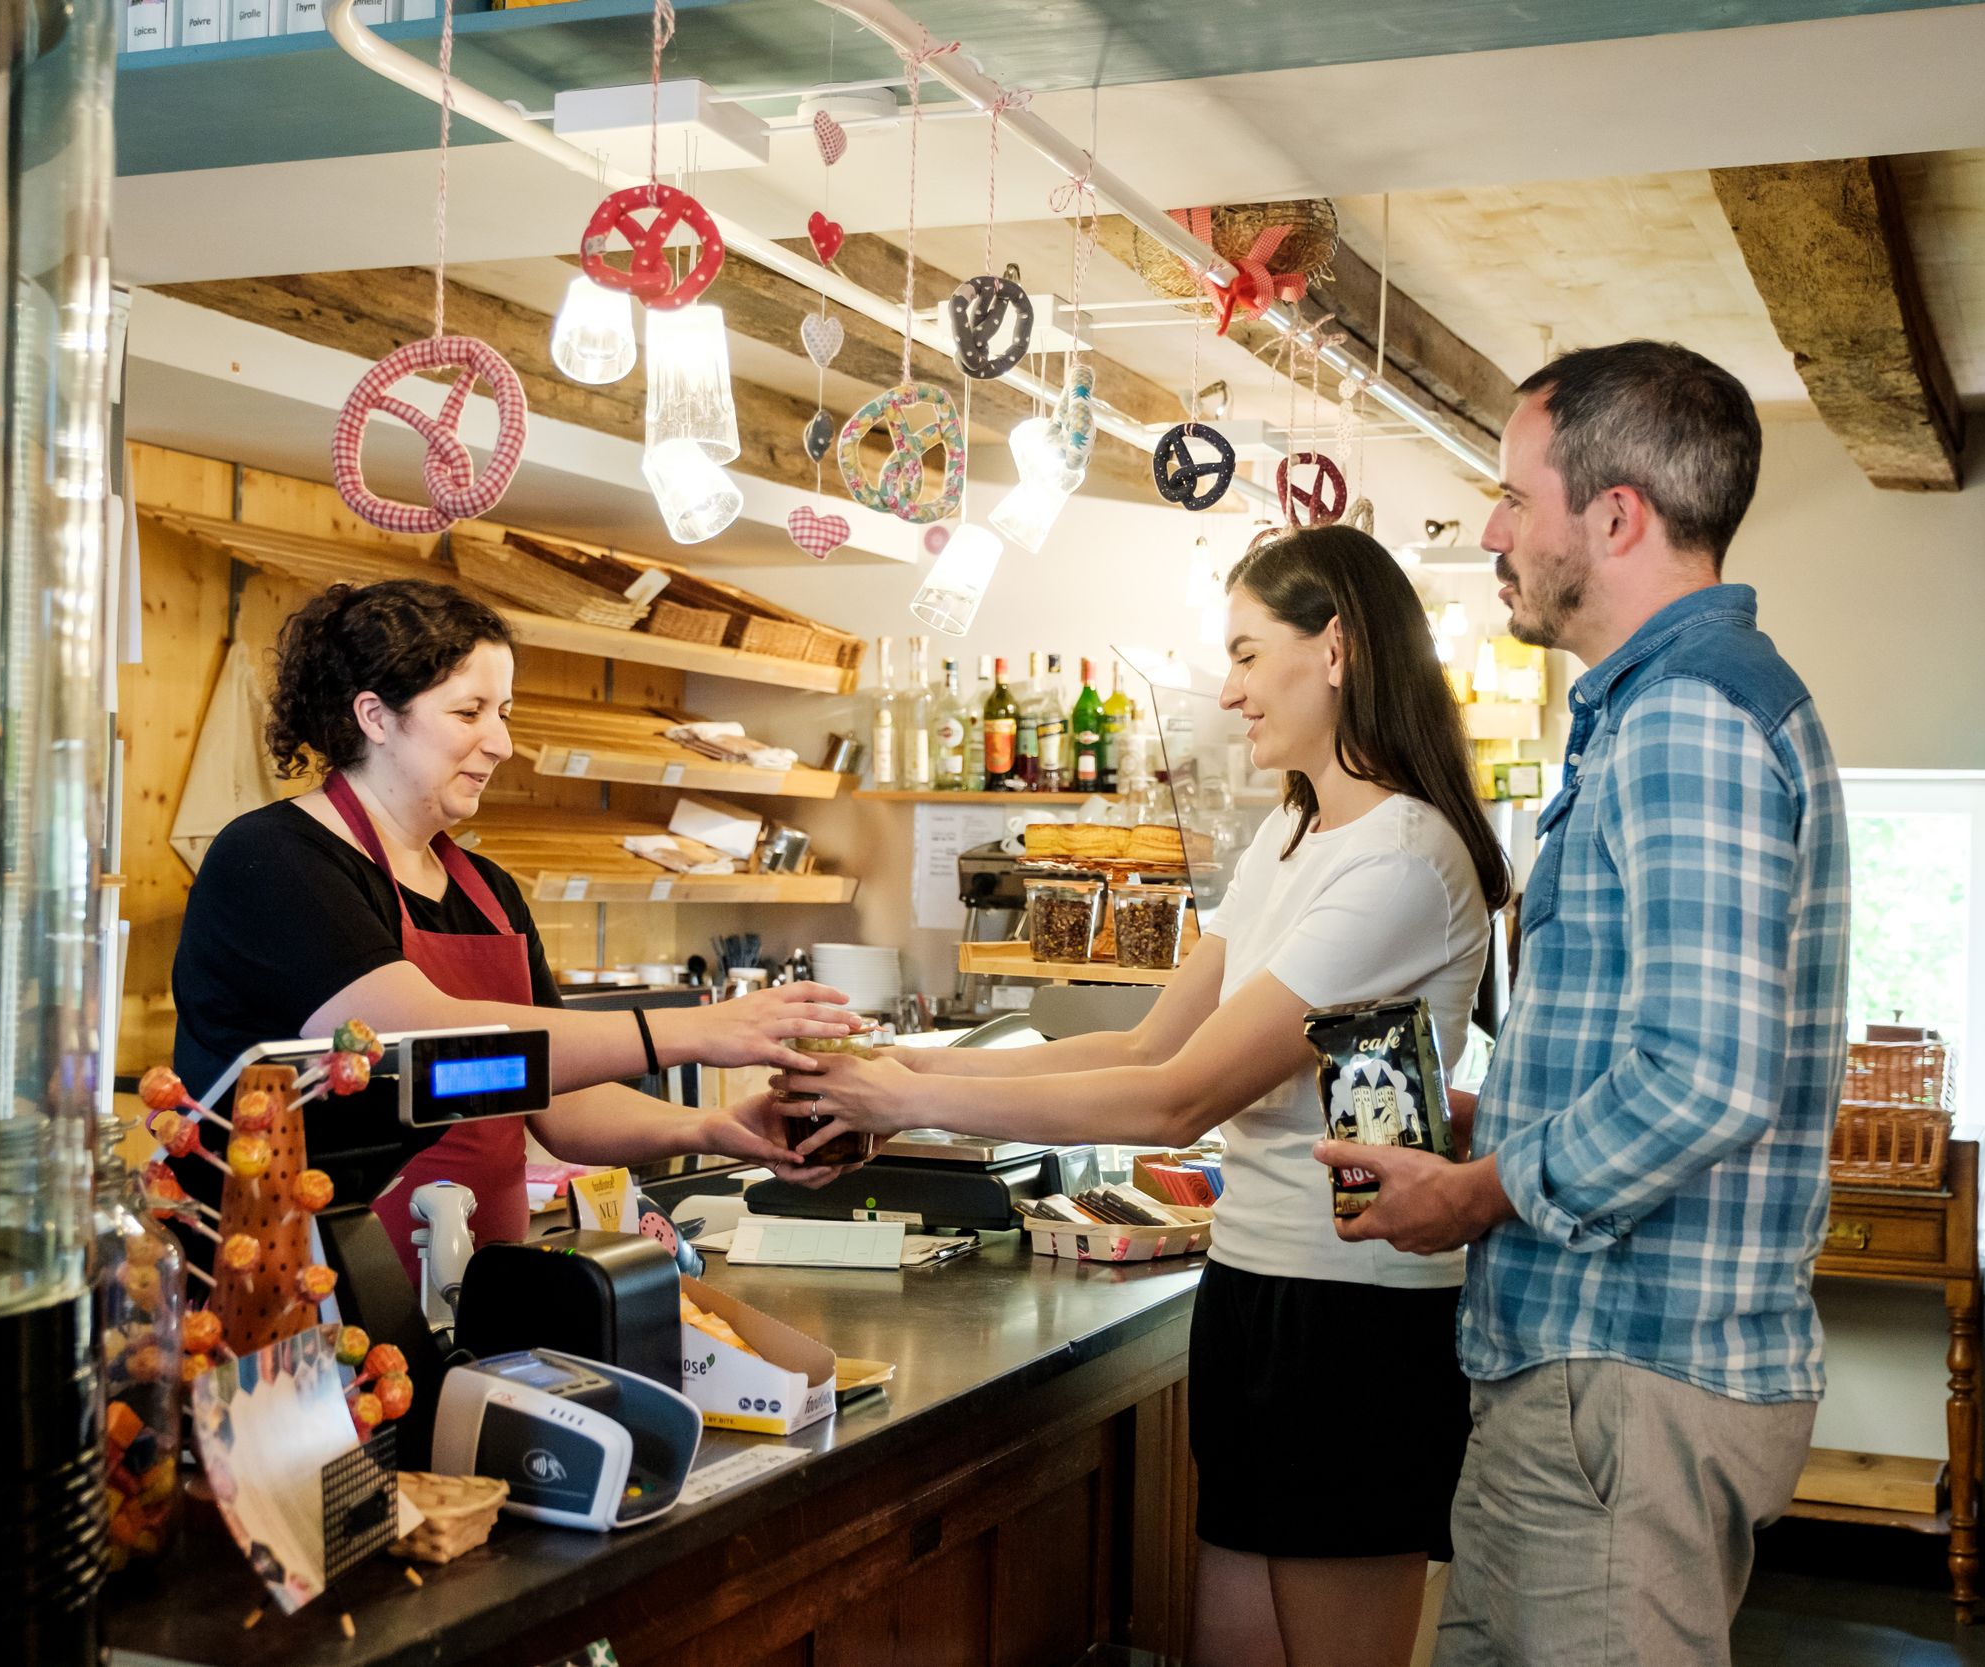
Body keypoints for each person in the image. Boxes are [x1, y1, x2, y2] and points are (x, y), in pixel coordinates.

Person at [778, 525, 1511, 1667]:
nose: (1228, 690)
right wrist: (906, 1069)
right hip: (1254, 1286)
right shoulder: (1291, 833)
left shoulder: (1405, 859)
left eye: (1246, 653)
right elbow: (1143, 1036)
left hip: (1355, 1319)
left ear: (1337, 648)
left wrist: (904, 1105)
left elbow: (1174, 1099)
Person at [1320, 340, 1850, 1667]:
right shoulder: (1652, 713)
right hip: (1580, 1378)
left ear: (1615, 516)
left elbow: (1706, 1078)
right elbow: (1658, 1046)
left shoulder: (1689, 715)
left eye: (1513, 494)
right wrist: (1481, 1119)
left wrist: (1479, 1187)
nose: (1492, 530)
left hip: (1626, 1381)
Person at [171, 578, 852, 1278]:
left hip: (472, 1289)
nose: (500, 742)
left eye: (503, 711)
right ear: (374, 715)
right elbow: (428, 1055)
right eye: (469, 711)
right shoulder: (275, 859)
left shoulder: (488, 891)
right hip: (296, 1300)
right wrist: (694, 1031)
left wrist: (711, 1128)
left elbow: (553, 1096)